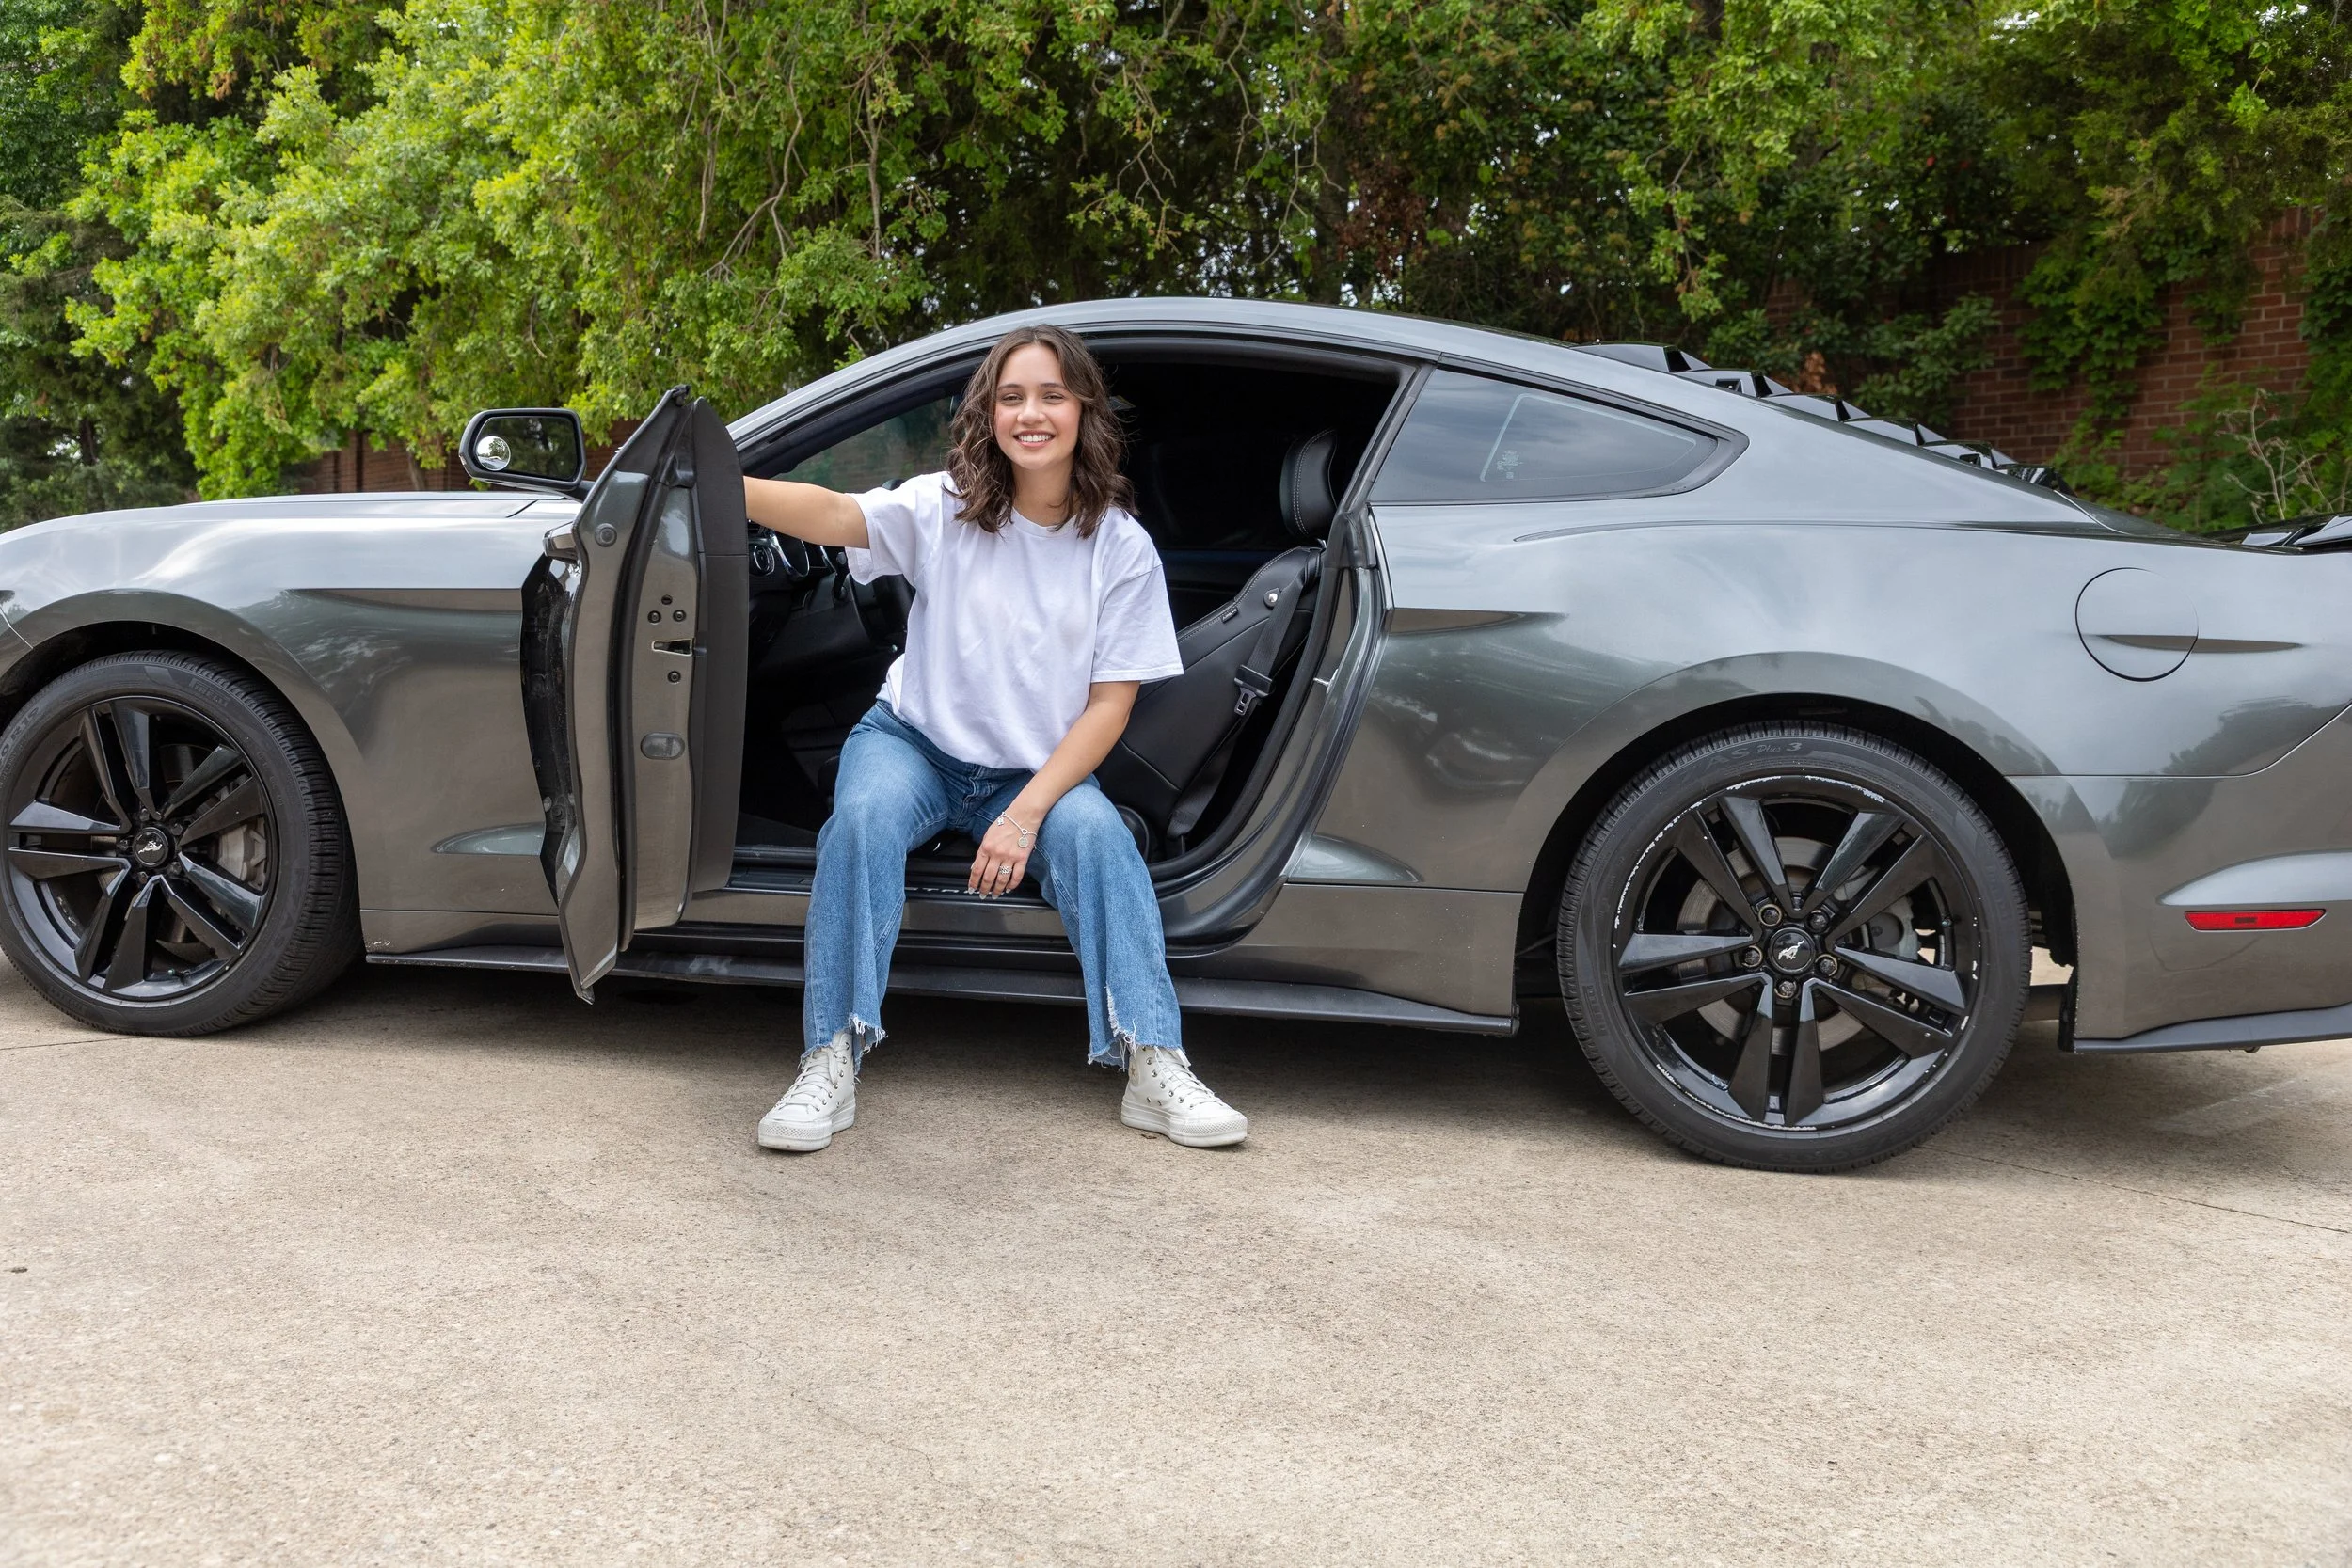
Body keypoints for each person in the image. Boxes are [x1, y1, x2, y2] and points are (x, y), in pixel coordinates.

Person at [740, 324, 1248, 1153]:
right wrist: (725, 484)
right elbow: (836, 514)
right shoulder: (946, 507)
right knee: (859, 822)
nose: (1030, 414)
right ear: (989, 413)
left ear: (1084, 411)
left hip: (1032, 772)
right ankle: (829, 1056)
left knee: (1101, 840)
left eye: (1051, 396)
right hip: (912, 743)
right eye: (1011, 397)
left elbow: (1109, 708)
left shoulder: (1121, 547)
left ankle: (1154, 1059)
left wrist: (1025, 815)